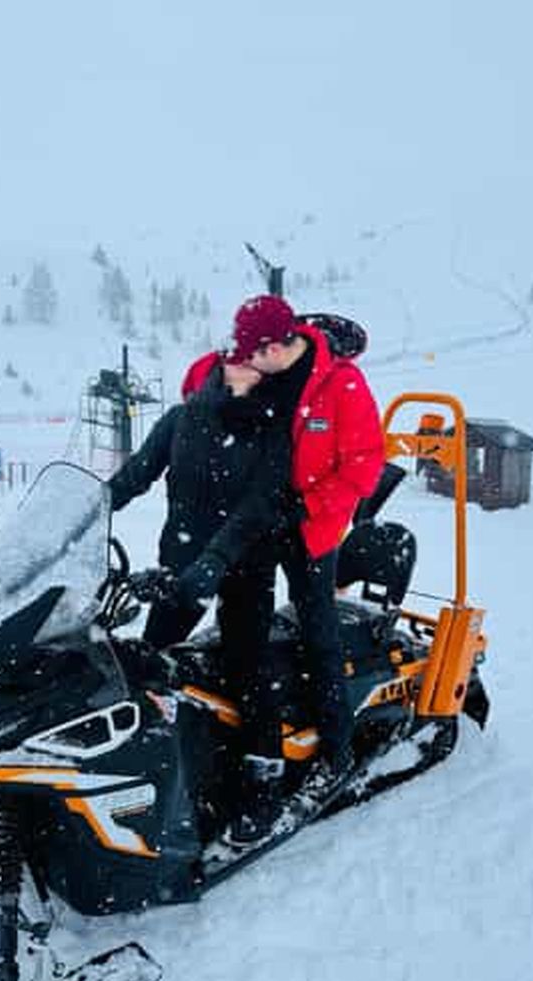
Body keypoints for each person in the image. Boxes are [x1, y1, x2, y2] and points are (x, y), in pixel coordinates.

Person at [182, 295, 385, 833]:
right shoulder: (247, 363)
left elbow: (365, 466)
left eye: (253, 354)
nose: (243, 360)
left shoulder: (339, 386)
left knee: (319, 636)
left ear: (278, 346)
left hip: (307, 532)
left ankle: (336, 753)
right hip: (249, 526)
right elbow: (198, 382)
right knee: (241, 635)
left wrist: (310, 508)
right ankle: (256, 753)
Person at [107, 350, 296, 802]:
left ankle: (264, 775)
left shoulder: (273, 430)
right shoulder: (180, 421)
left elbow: (258, 509)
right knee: (147, 661)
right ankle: (145, 759)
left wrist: (215, 561)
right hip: (183, 565)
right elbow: (133, 477)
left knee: (246, 662)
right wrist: (84, 513)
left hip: (246, 565)